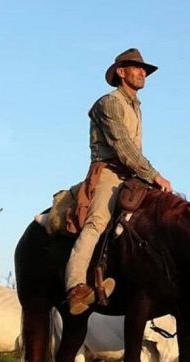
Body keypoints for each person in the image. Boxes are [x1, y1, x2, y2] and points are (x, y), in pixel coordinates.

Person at [66, 48, 172, 315]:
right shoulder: (110, 103)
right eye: (136, 68)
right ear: (121, 72)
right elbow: (123, 148)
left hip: (133, 174)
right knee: (98, 220)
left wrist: (146, 175)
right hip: (110, 172)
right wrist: (154, 175)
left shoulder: (135, 106)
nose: (142, 72)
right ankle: (76, 286)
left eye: (144, 69)